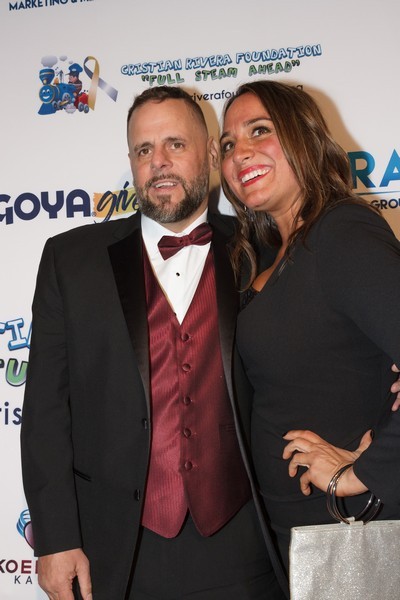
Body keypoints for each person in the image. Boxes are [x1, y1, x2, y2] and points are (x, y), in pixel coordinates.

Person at [21, 86, 288, 600]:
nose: (158, 162)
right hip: (117, 550)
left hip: (246, 541)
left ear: (209, 154)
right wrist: (55, 539)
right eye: (143, 149)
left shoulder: (265, 248)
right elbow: (45, 414)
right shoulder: (70, 261)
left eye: (175, 145)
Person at [220, 79, 400, 572]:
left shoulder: (341, 233)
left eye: (260, 130)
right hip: (290, 532)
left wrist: (364, 472)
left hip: (349, 532)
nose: (240, 152)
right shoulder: (266, 256)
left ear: (303, 135)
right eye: (228, 144)